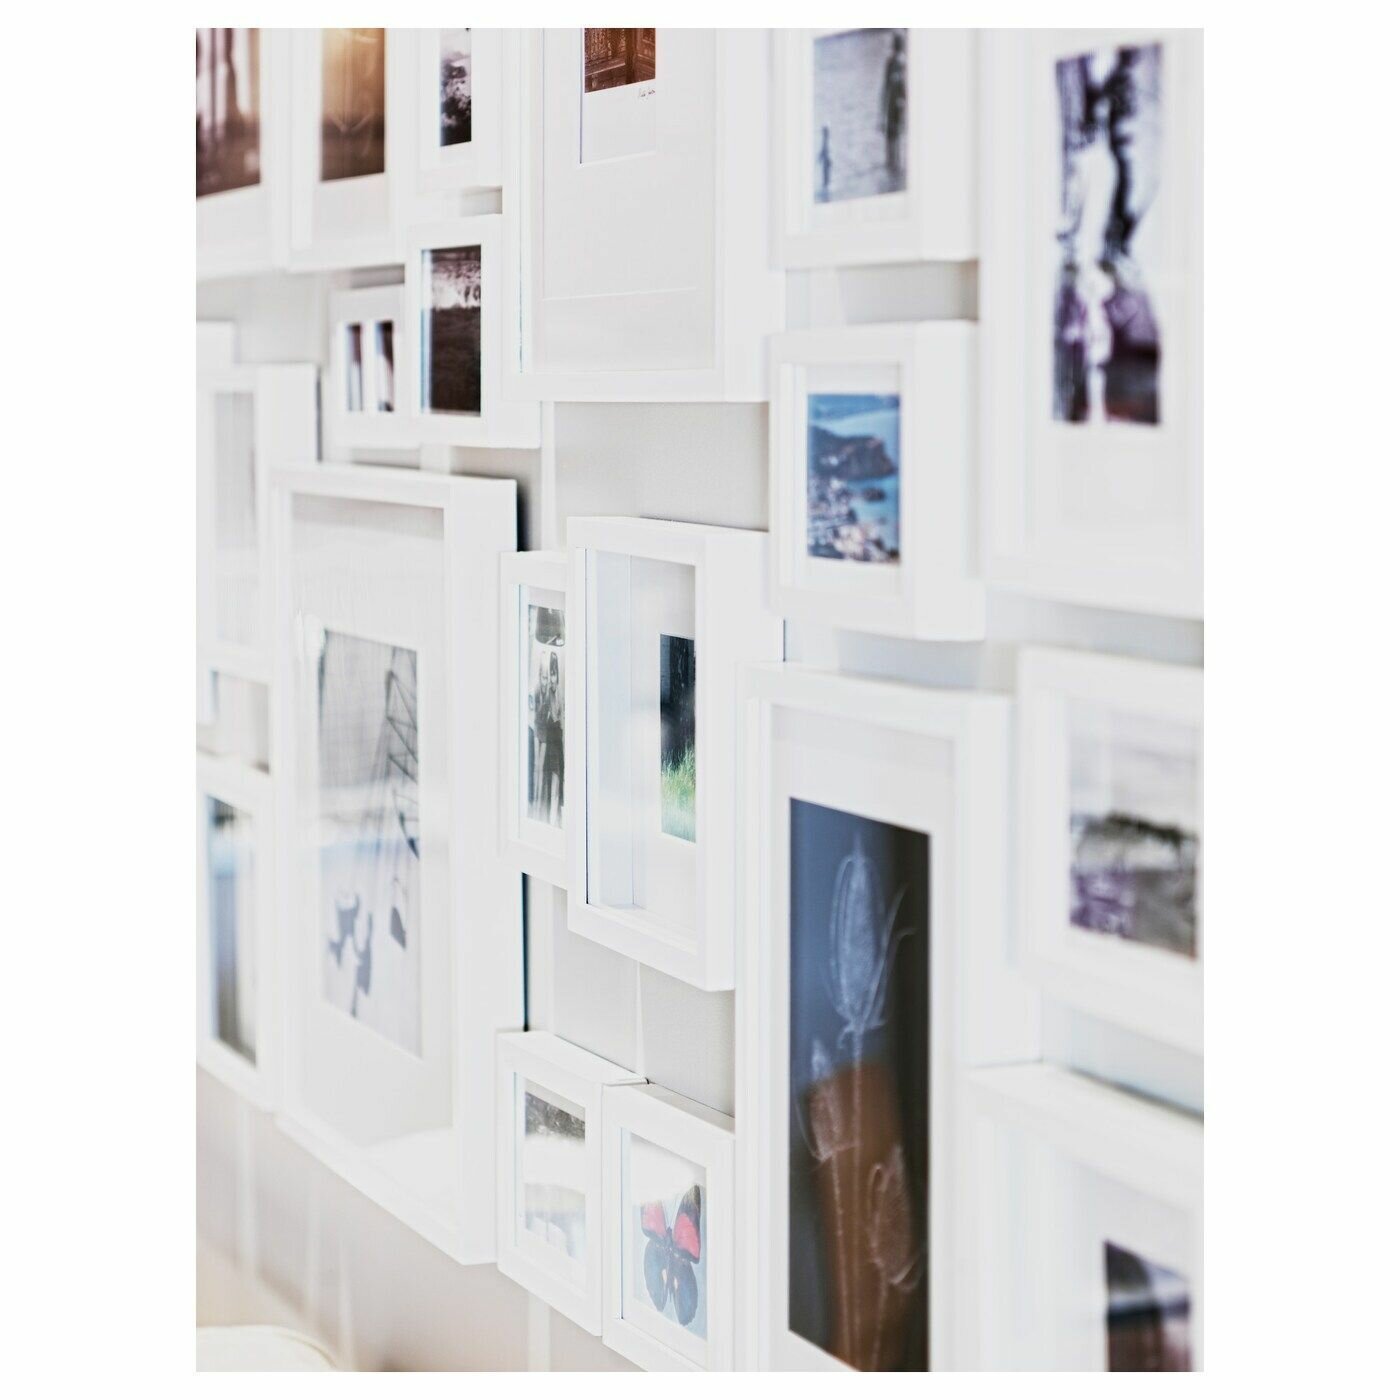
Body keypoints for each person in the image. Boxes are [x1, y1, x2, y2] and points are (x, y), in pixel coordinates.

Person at [881, 33, 907, 180]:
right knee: (894, 139)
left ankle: (893, 172)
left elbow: (887, 88)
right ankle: (894, 171)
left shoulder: (897, 62)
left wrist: (882, 113)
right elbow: (890, 86)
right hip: (896, 104)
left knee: (893, 139)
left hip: (895, 105)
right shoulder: (896, 62)